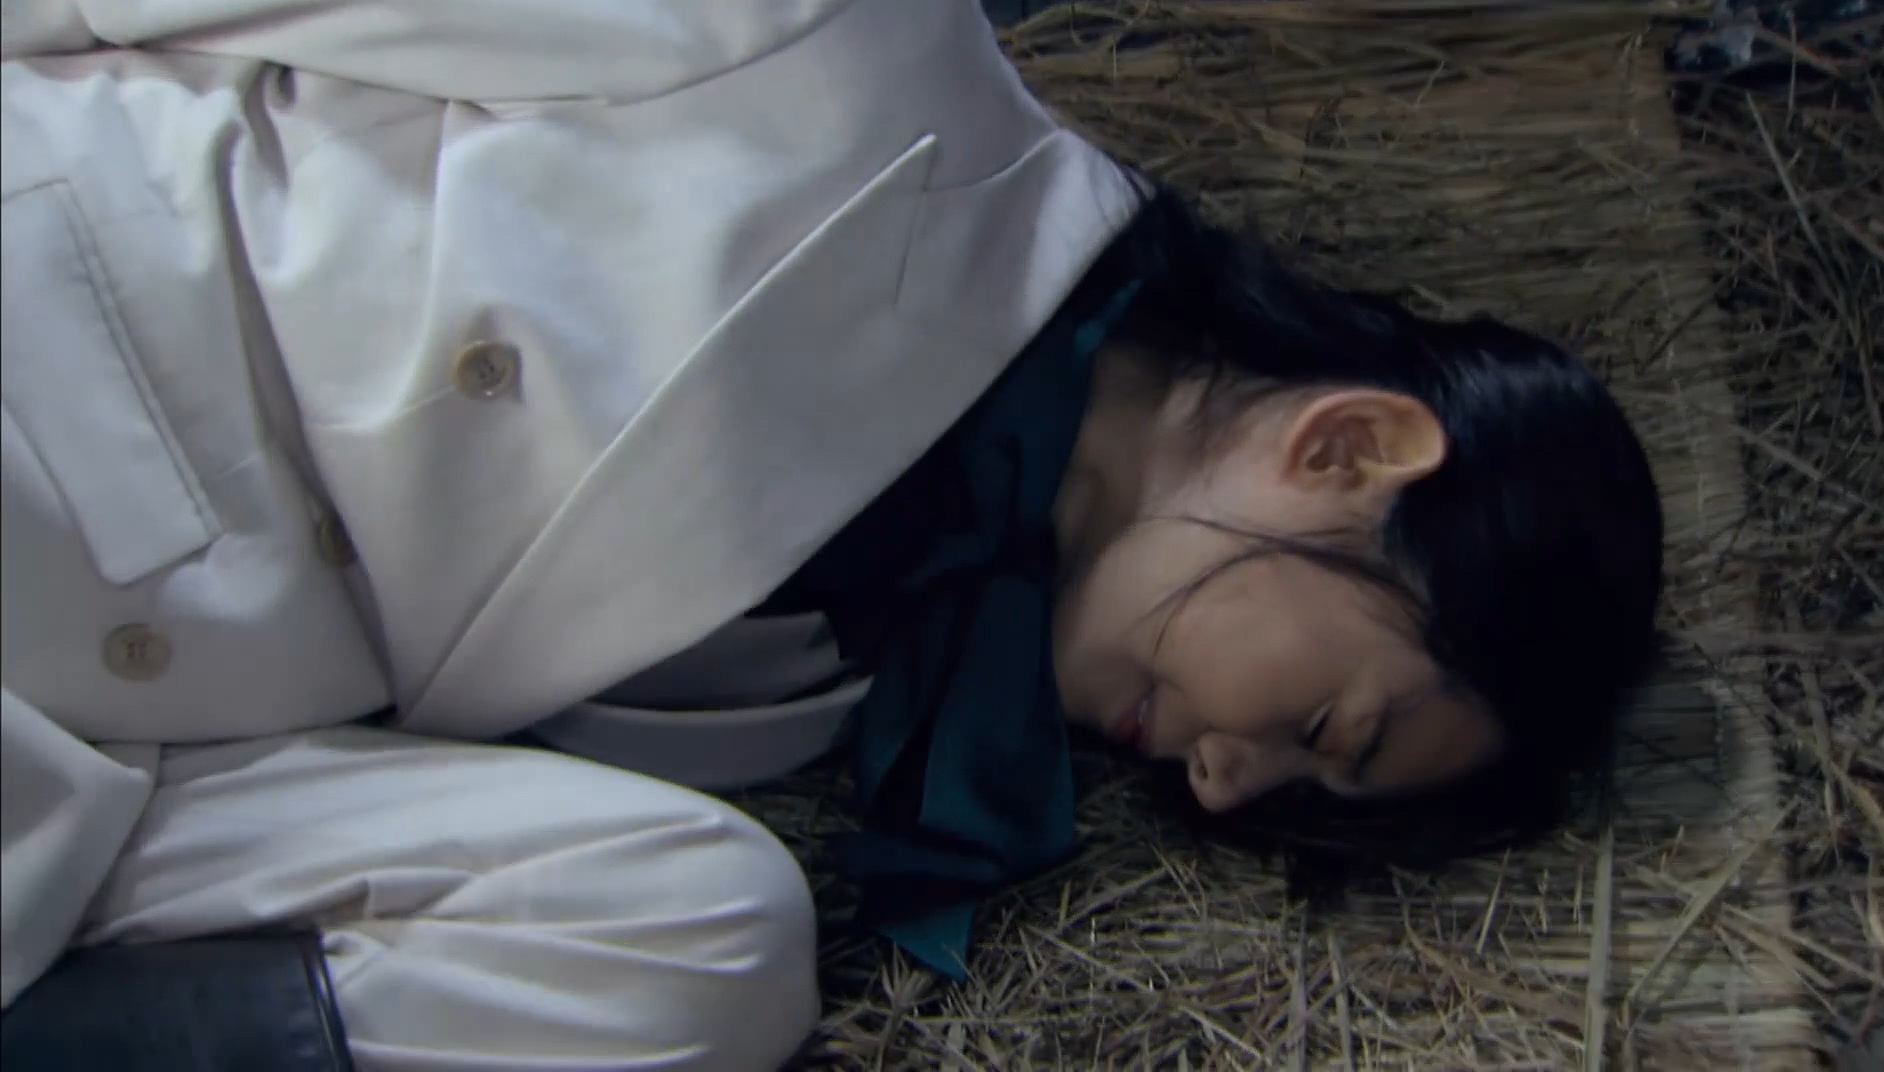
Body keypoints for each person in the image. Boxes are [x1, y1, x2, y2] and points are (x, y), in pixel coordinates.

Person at [0, 1, 1662, 1069]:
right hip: (53, 354)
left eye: (1294, 792)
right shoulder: (843, 56)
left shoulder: (848, 702)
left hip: (107, 723)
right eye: (1326, 729)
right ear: (1350, 450)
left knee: (705, 946)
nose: (1228, 785)